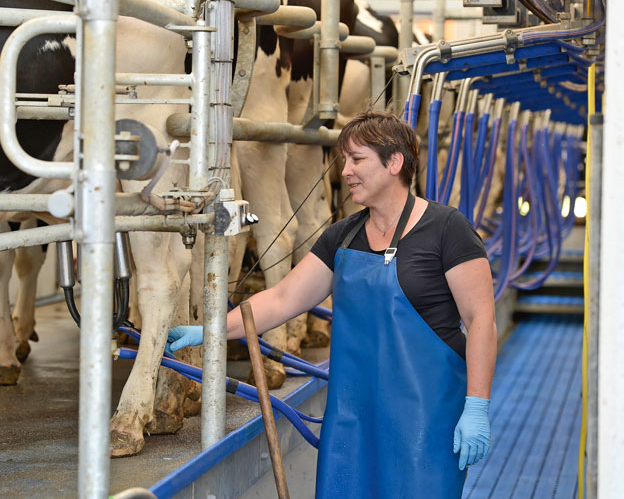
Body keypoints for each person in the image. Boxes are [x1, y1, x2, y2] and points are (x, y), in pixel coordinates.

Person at [167, 111, 497, 498]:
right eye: (344, 160)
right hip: (352, 421)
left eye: (357, 159)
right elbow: (283, 299)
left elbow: (480, 322)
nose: (346, 171)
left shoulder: (447, 230)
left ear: (395, 163)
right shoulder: (343, 236)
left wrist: (476, 406)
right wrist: (213, 329)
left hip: (425, 420)